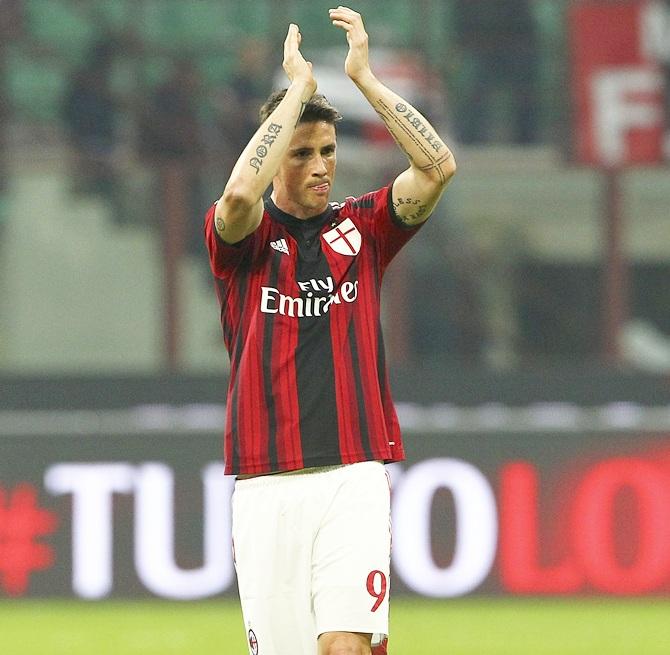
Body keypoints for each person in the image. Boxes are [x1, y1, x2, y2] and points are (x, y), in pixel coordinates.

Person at [204, 7, 456, 655]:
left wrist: (364, 79)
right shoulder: (244, 242)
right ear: (275, 158)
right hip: (265, 486)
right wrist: (294, 94)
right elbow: (237, 195)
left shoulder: (364, 229)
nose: (321, 166)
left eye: (328, 151)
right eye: (302, 153)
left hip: (354, 475)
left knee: (344, 646)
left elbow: (436, 168)